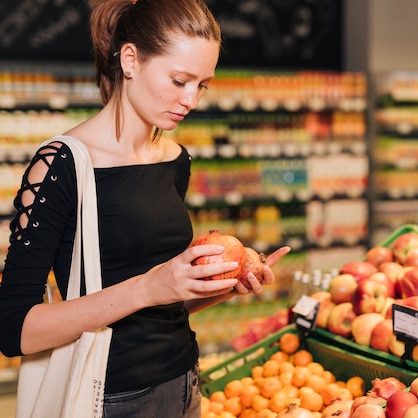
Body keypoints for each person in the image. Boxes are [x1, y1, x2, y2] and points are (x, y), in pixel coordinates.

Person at [0, 0, 290, 416]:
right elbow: (14, 330)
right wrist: (150, 286)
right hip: (109, 396)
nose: (191, 99)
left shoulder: (174, 159)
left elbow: (160, 305)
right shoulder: (62, 165)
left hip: (186, 381)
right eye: (178, 80)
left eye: (202, 84)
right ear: (130, 59)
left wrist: (219, 286)